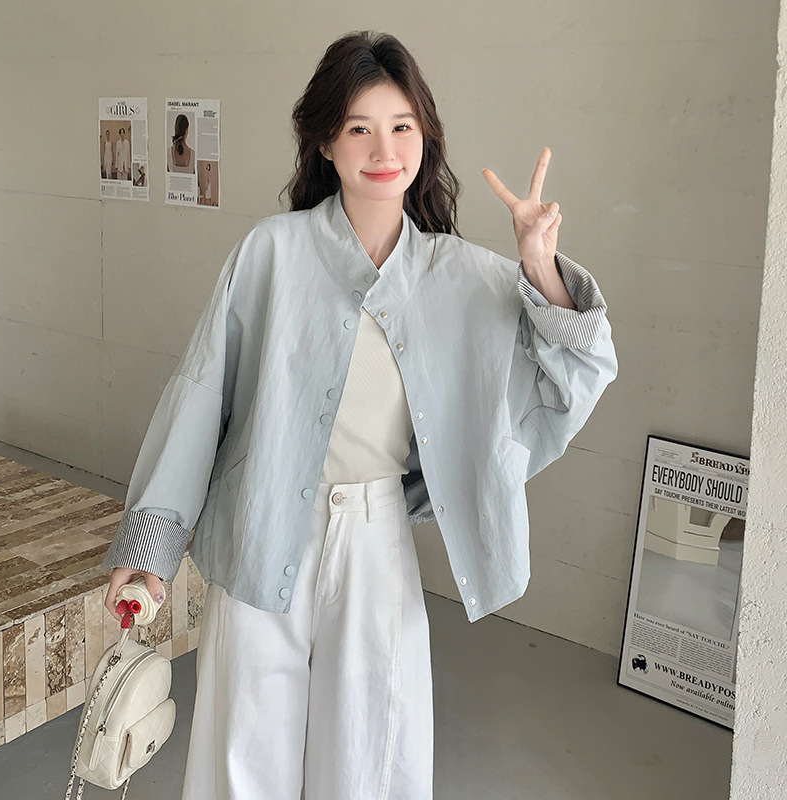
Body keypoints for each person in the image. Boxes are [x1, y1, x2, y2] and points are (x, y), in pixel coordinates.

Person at [102, 31, 617, 800]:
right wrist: (152, 541)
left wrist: (539, 265)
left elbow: (579, 369)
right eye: (359, 128)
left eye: (402, 126)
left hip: (378, 543)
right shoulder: (270, 253)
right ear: (325, 142)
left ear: (425, 137)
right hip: (262, 522)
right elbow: (200, 394)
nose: (384, 149)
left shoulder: (464, 277)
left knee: (374, 756)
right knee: (244, 753)